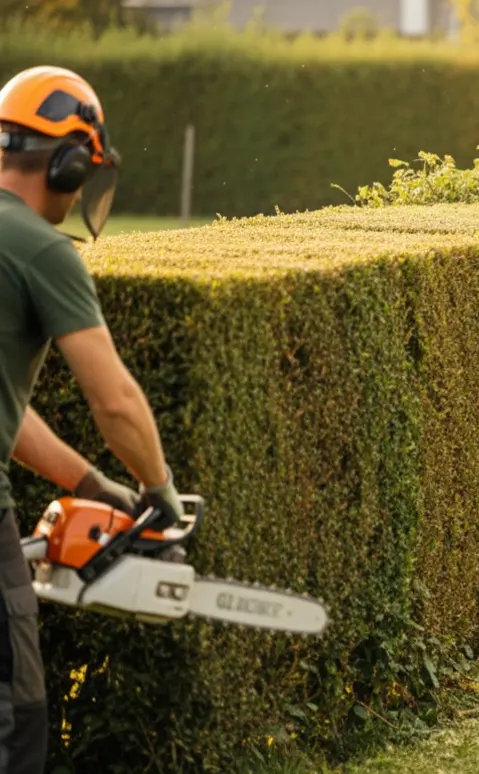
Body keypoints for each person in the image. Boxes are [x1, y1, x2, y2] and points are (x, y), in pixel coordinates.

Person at [0, 66, 183, 773]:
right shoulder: (43, 251)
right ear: (70, 163)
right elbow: (115, 401)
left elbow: (7, 417)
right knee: (16, 721)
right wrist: (155, 489)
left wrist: (95, 486)